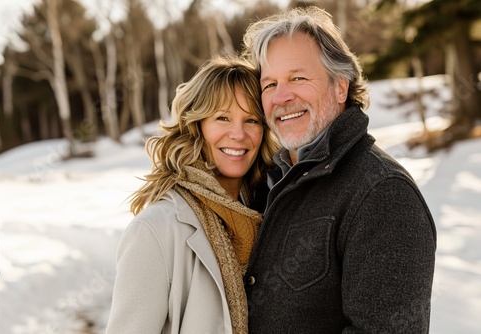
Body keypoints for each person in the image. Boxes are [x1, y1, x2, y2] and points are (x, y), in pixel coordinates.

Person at [241, 6, 436, 333]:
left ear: (341, 86)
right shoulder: (266, 182)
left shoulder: (382, 193)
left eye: (298, 78)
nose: (282, 96)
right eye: (269, 84)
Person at [105, 55, 279, 334]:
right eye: (222, 118)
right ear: (197, 125)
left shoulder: (270, 214)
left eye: (252, 120)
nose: (238, 134)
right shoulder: (155, 230)